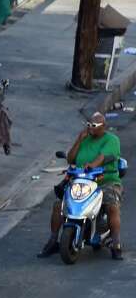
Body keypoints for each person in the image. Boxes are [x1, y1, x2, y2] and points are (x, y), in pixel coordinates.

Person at [39, 111, 123, 260]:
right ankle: (53, 241)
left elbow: (103, 157)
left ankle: (116, 243)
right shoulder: (85, 139)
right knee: (59, 205)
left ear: (103, 126)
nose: (90, 128)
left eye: (94, 125)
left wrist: (92, 165)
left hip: (105, 181)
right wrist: (79, 140)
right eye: (89, 125)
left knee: (111, 205)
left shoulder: (111, 140)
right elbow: (70, 159)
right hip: (82, 181)